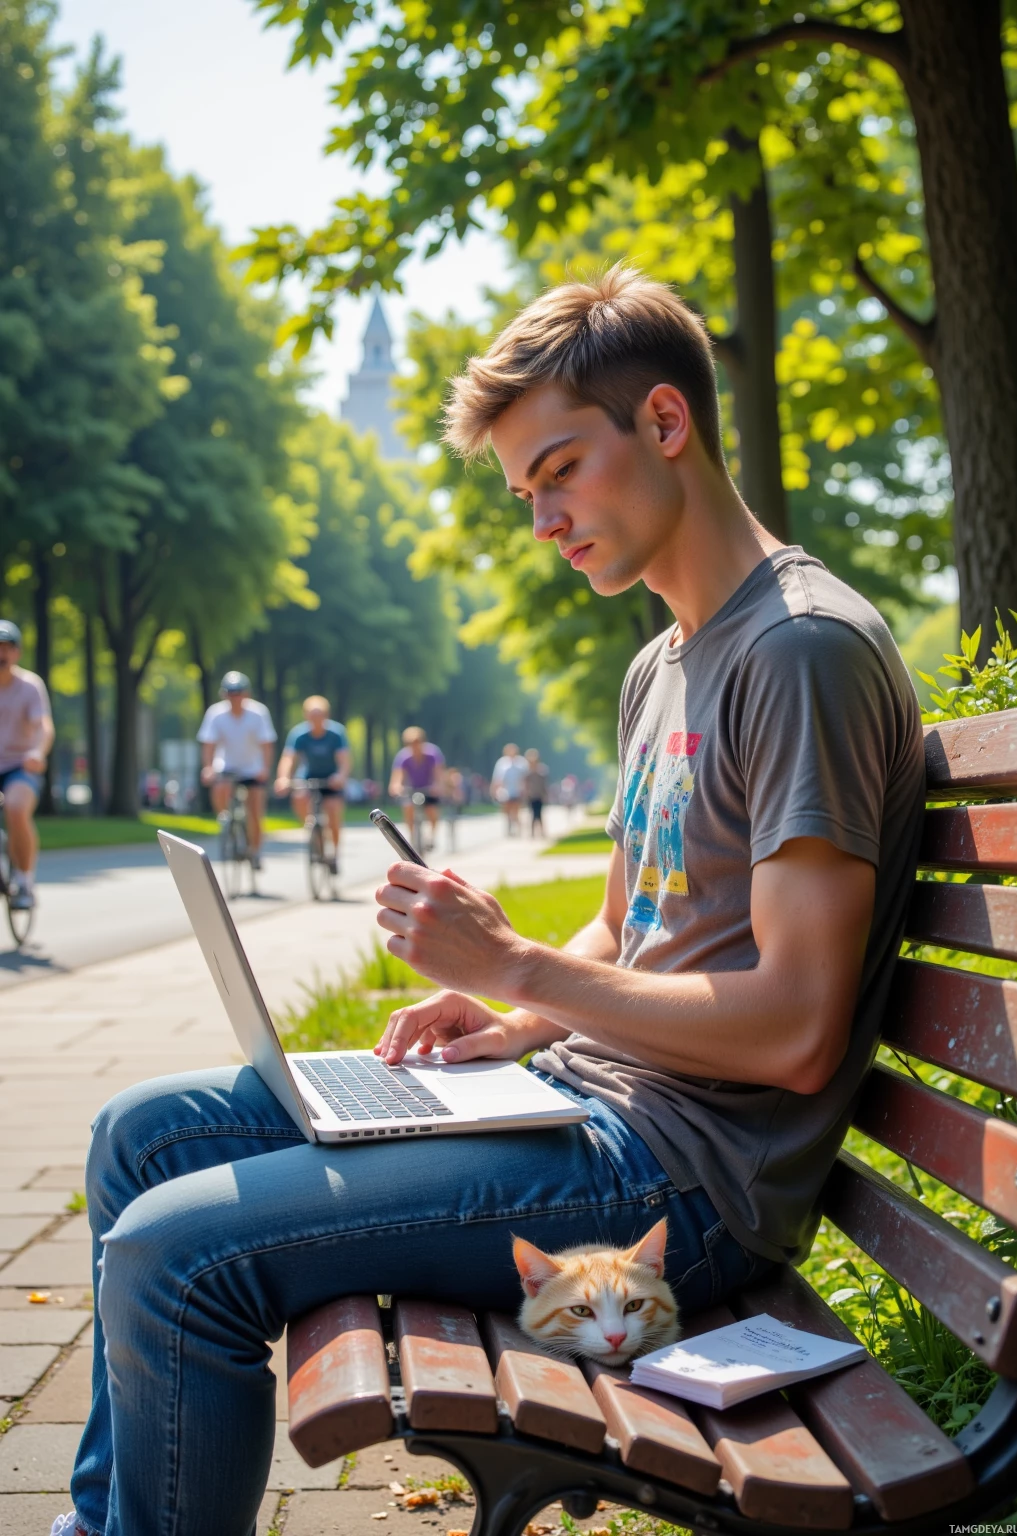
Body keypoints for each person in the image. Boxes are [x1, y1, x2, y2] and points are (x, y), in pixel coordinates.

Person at [58, 267, 925, 1536]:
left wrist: (520, 970)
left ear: (666, 425)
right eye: (526, 494)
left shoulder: (798, 654)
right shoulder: (664, 663)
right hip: (587, 1110)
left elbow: (794, 1030)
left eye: (560, 471)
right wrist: (505, 1016)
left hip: (681, 1183)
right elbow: (629, 925)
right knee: (141, 1138)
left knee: (174, 1255)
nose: (543, 521)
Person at [196, 673, 276, 872]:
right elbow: (209, 744)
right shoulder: (215, 713)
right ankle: (225, 819)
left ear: (246, 694)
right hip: (227, 763)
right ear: (224, 695)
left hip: (252, 766)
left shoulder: (258, 713)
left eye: (238, 693)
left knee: (255, 810)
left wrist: (265, 769)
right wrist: (207, 767)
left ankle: (255, 851)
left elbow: (266, 744)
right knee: (219, 785)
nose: (235, 697)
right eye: (230, 693)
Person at [0, 620, 53, 913]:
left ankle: (24, 880)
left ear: (17, 653)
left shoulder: (29, 686)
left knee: (16, 808)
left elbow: (44, 726)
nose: (1, 655)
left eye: (6, 648)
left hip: (21, 765)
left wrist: (37, 751)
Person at [273, 696, 350, 874]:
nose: (316, 719)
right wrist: (283, 778)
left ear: (326, 715)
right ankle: (312, 829)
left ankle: (335, 855)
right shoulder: (299, 734)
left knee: (333, 811)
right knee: (299, 795)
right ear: (306, 715)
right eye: (312, 715)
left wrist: (340, 776)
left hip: (331, 779)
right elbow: (288, 759)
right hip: (308, 776)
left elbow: (344, 761)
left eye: (319, 715)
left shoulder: (336, 733)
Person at [388, 726, 445, 851]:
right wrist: (396, 787)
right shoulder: (403, 757)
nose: (414, 747)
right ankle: (413, 837)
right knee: (407, 807)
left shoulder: (433, 754)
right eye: (410, 744)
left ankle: (432, 836)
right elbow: (397, 778)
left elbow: (438, 775)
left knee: (432, 810)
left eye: (417, 743)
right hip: (412, 789)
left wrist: (437, 786)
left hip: (429, 789)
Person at [491, 741, 528, 835]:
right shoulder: (502, 763)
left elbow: (525, 778)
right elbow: (497, 778)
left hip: (517, 791)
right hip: (505, 791)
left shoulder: (521, 763)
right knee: (506, 811)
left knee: (515, 811)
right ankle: (509, 828)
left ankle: (518, 828)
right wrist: (494, 790)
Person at [523, 748, 550, 839]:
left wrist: (545, 794)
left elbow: (544, 784)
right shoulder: (527, 772)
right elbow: (525, 785)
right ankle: (532, 833)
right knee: (532, 815)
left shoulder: (542, 771)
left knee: (540, 814)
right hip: (531, 796)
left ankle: (542, 832)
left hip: (539, 795)